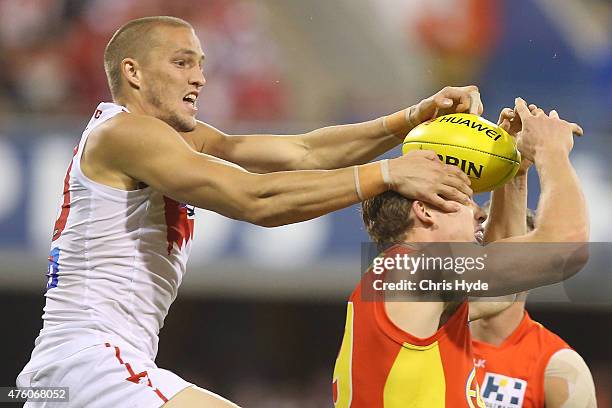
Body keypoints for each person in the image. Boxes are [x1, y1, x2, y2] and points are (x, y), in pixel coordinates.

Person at [16, 15, 482, 408]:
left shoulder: (165, 139)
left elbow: (303, 151)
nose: (198, 78)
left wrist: (409, 120)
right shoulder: (127, 135)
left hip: (84, 367)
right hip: (90, 361)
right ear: (133, 73)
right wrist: (388, 175)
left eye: (200, 65)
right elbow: (255, 200)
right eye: (181, 63)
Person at [332, 99, 588, 407]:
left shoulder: (406, 283)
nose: (478, 212)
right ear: (425, 210)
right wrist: (552, 152)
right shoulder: (419, 270)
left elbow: (504, 291)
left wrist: (514, 169)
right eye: (463, 198)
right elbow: (567, 247)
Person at [471, 166, 597, 407]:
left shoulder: (558, 366)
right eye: (487, 250)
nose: (501, 267)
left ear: (535, 270)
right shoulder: (431, 333)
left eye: (517, 259)